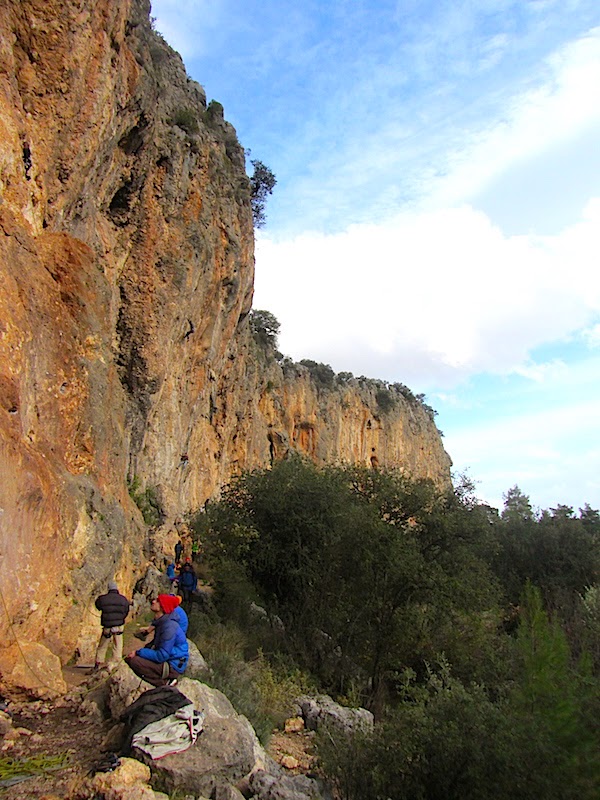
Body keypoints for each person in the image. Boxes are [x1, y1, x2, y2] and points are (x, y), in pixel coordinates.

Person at [125, 595, 189, 686]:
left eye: (158, 601)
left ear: (163, 607)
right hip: (172, 660)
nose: (153, 601)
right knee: (132, 658)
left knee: (134, 661)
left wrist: (138, 652)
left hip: (173, 665)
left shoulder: (169, 627)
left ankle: (165, 683)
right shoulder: (163, 622)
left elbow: (162, 656)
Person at [91, 581, 130, 671]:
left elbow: (98, 606)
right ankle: (116, 663)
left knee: (103, 645)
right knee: (118, 644)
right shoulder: (123, 599)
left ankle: (98, 663)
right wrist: (121, 618)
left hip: (107, 625)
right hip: (119, 625)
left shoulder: (103, 599)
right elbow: (126, 610)